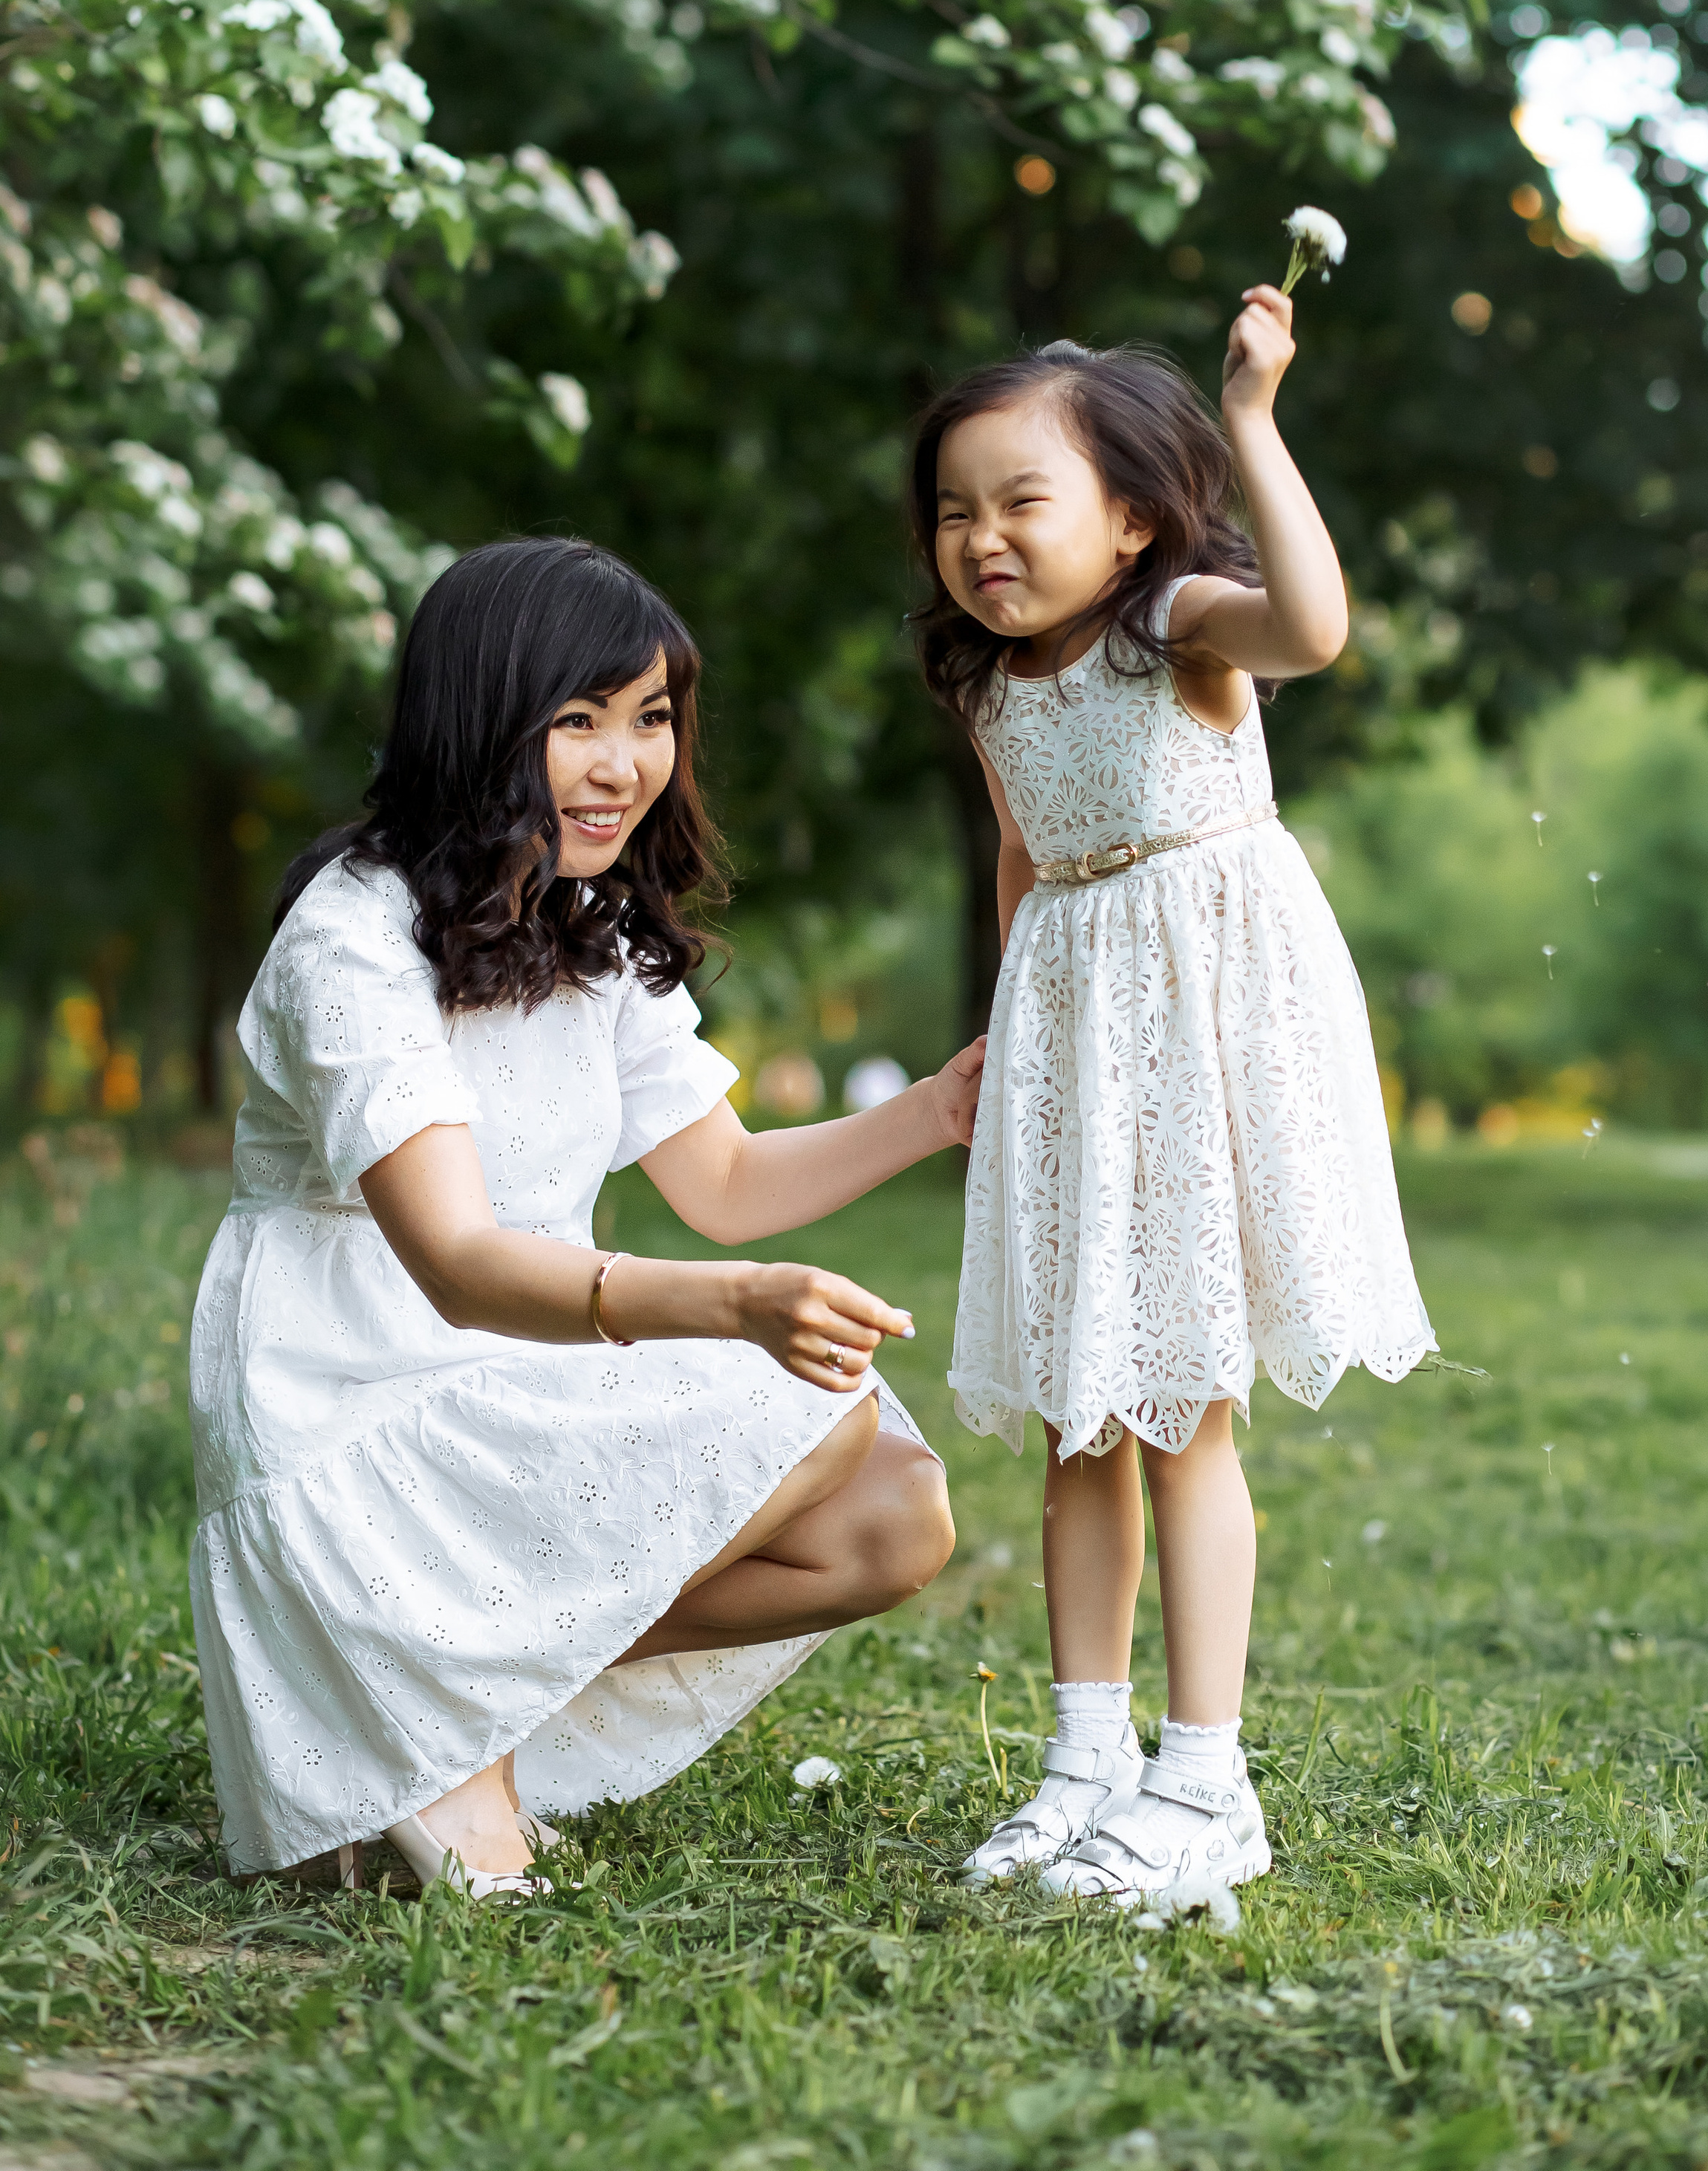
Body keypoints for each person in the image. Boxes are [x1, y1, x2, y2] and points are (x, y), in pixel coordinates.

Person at [189, 537, 981, 1898]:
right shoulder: (354, 938)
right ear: (480, 723)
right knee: (822, 1413)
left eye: (652, 718)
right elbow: (455, 1262)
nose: (625, 764)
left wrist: (944, 1108)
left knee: (896, 1521)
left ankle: (446, 1700)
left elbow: (724, 1181)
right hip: (359, 1389)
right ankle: (424, 1732)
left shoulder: (586, 924)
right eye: (578, 722)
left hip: (525, 1368)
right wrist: (729, 1308)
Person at [908, 290, 1435, 1908]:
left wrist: (1257, 422)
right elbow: (1023, 864)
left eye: (1020, 501)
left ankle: (1206, 1782)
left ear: (1129, 519)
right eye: (952, 511)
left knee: (1180, 1408)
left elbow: (1318, 631)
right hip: (1076, 1044)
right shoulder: (990, 687)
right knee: (1078, 1417)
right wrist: (1018, 1050)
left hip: (1204, 1043)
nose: (981, 538)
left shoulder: (1184, 631)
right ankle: (1087, 1763)